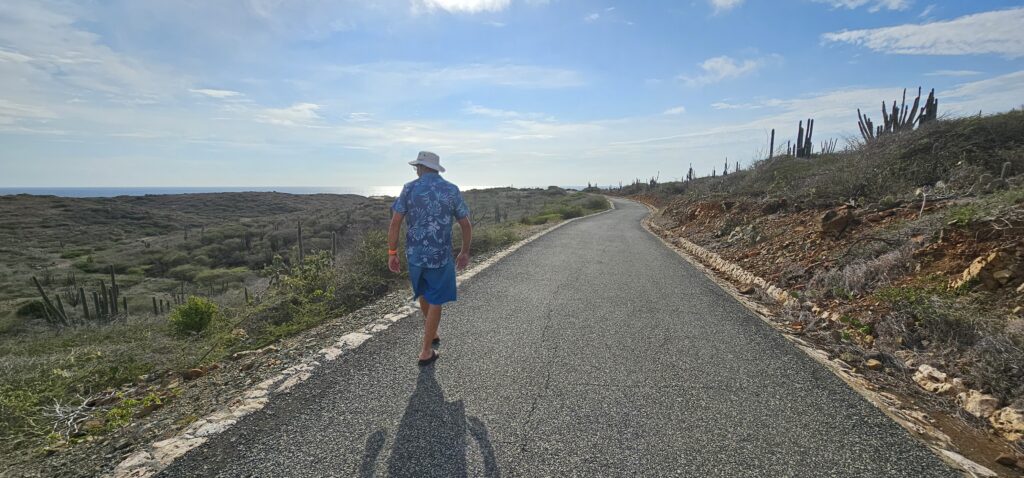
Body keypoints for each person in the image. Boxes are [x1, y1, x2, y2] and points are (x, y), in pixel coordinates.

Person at [388, 151, 472, 366]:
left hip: (415, 255)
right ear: (435, 168)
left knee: (424, 293)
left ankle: (432, 334)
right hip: (440, 256)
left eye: (417, 167)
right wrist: (464, 251)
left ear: (421, 168)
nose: (416, 170)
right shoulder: (451, 189)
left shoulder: (409, 188)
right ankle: (426, 351)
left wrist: (392, 252)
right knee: (435, 298)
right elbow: (465, 224)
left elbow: (396, 222)